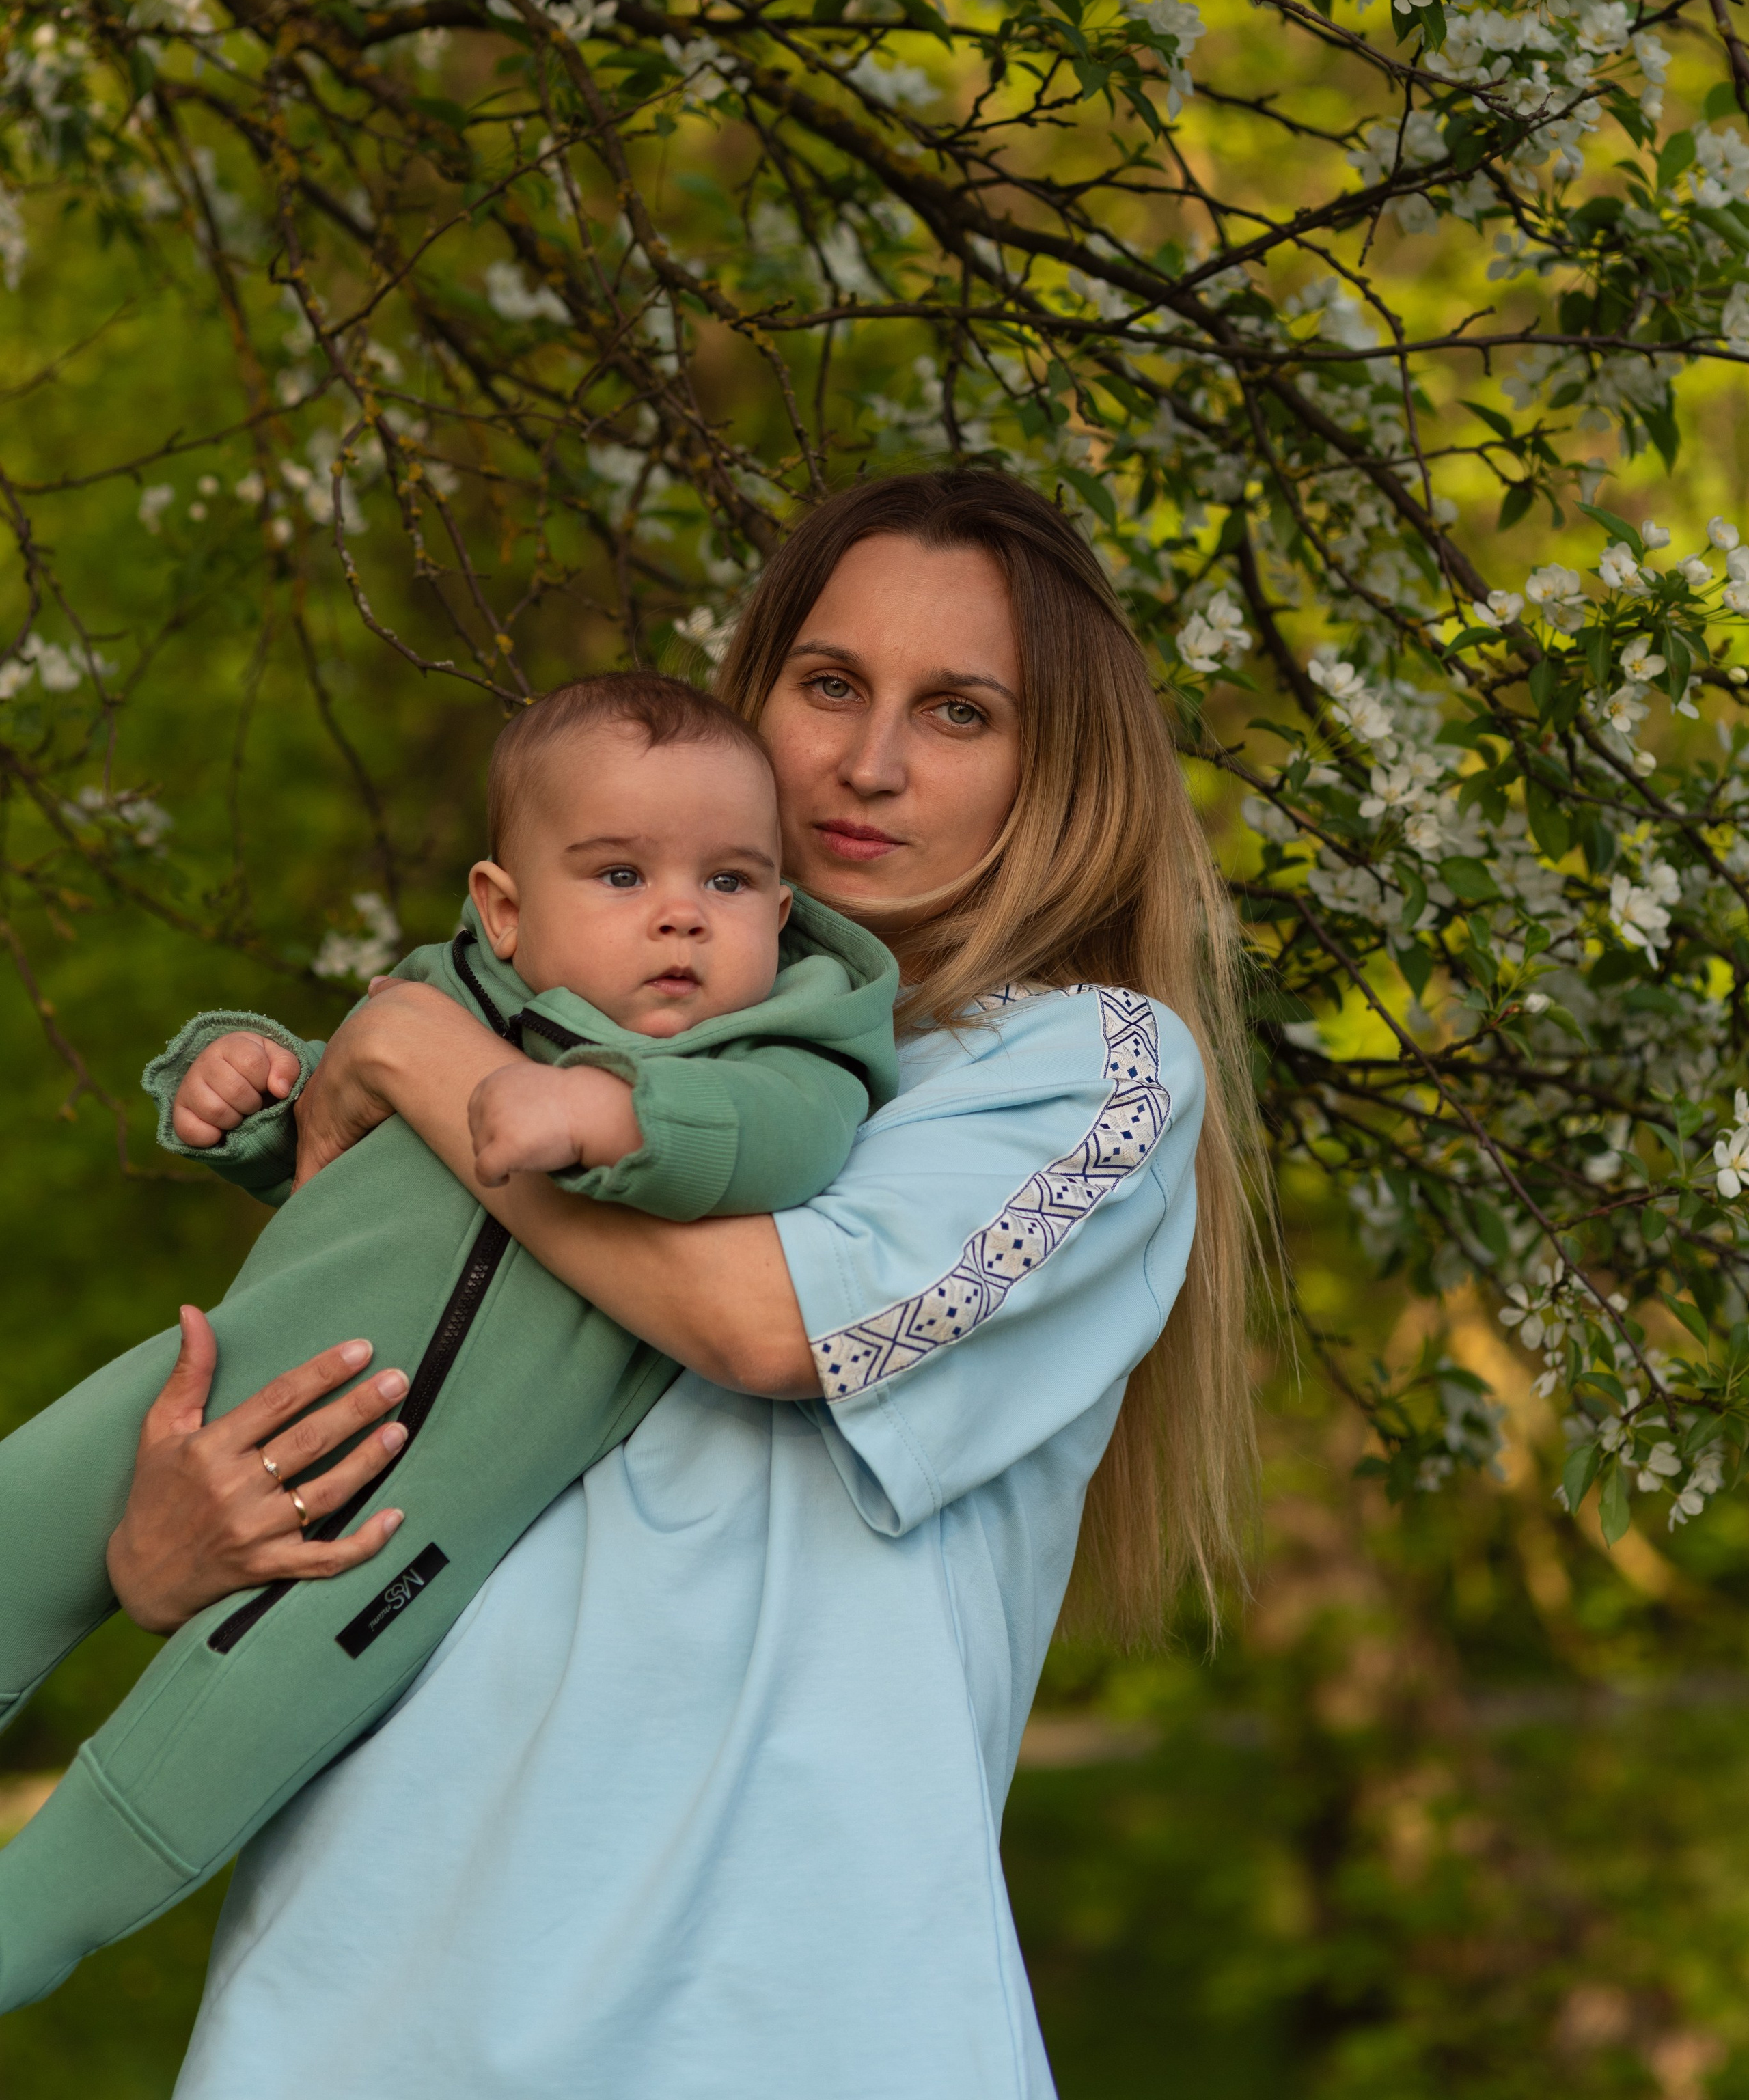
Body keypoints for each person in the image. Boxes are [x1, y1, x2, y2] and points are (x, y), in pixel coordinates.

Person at [99, 468, 1262, 2100]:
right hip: (359, 2008)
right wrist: (173, 1546)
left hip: (778, 2026)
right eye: (829, 684)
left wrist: (420, 1056)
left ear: (1055, 766)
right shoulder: (553, 1026)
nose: (868, 762)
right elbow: (360, 1401)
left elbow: (765, 1323)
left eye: (958, 711)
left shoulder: (1082, 1068)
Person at [0, 673, 896, 2011]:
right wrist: (242, 1083)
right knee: (20, 1522)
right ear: (503, 907)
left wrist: (602, 1118)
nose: (679, 913)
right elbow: (320, 1151)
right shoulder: (442, 1000)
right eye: (620, 874)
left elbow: (786, 1143)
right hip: (227, 1371)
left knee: (203, 1750)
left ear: (778, 911)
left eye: (728, 881)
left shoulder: (786, 1060)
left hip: (406, 1527)